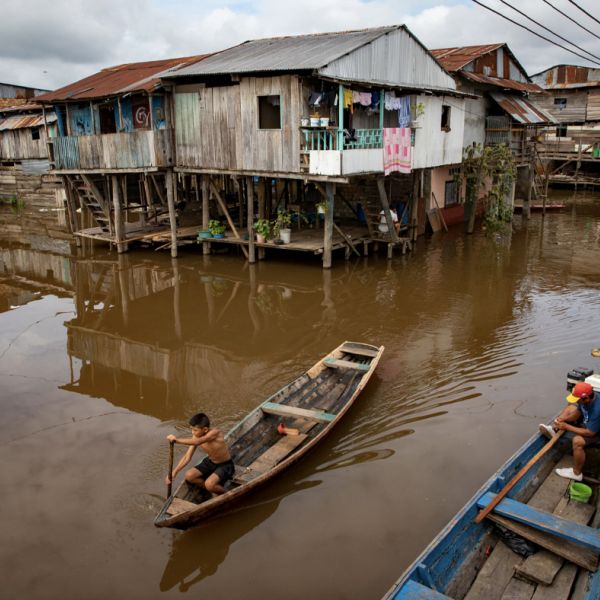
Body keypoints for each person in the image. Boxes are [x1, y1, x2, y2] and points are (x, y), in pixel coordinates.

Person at [539, 382, 600, 481]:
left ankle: (576, 473)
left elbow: (590, 433)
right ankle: (554, 429)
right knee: (570, 408)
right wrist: (563, 419)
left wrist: (566, 426)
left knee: (577, 441)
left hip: (596, 431)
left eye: (577, 400)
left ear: (586, 398)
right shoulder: (584, 401)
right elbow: (576, 414)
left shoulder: (598, 409)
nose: (577, 401)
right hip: (588, 422)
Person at [166, 413, 234, 495]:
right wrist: (174, 472)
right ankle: (212, 489)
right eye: (191, 429)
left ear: (205, 429)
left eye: (195, 430)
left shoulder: (215, 433)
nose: (192, 432)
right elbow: (187, 457)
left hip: (225, 465)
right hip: (210, 462)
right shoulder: (196, 437)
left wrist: (176, 440)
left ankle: (228, 494)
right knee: (189, 476)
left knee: (209, 484)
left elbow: (198, 441)